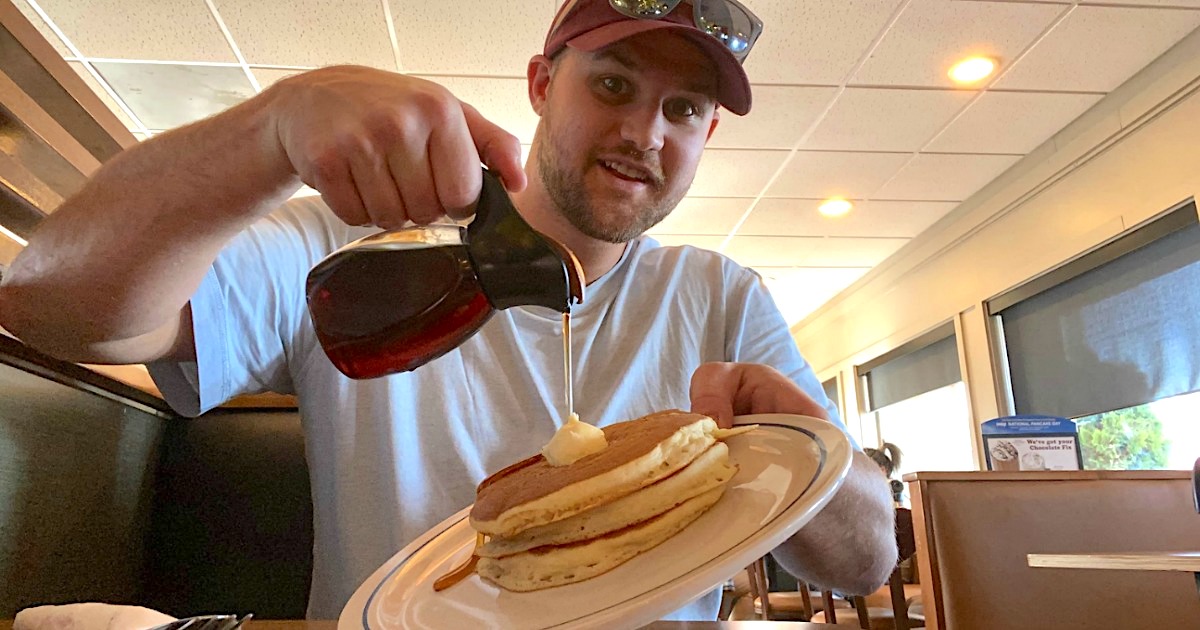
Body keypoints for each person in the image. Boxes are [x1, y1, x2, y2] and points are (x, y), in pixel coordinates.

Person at [0, 0, 895, 620]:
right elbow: (51, 309)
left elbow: (863, 568)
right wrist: (271, 129)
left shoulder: (721, 296)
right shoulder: (358, 245)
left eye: (684, 109)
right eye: (614, 85)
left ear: (709, 135)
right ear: (543, 83)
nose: (644, 134)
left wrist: (805, 452)